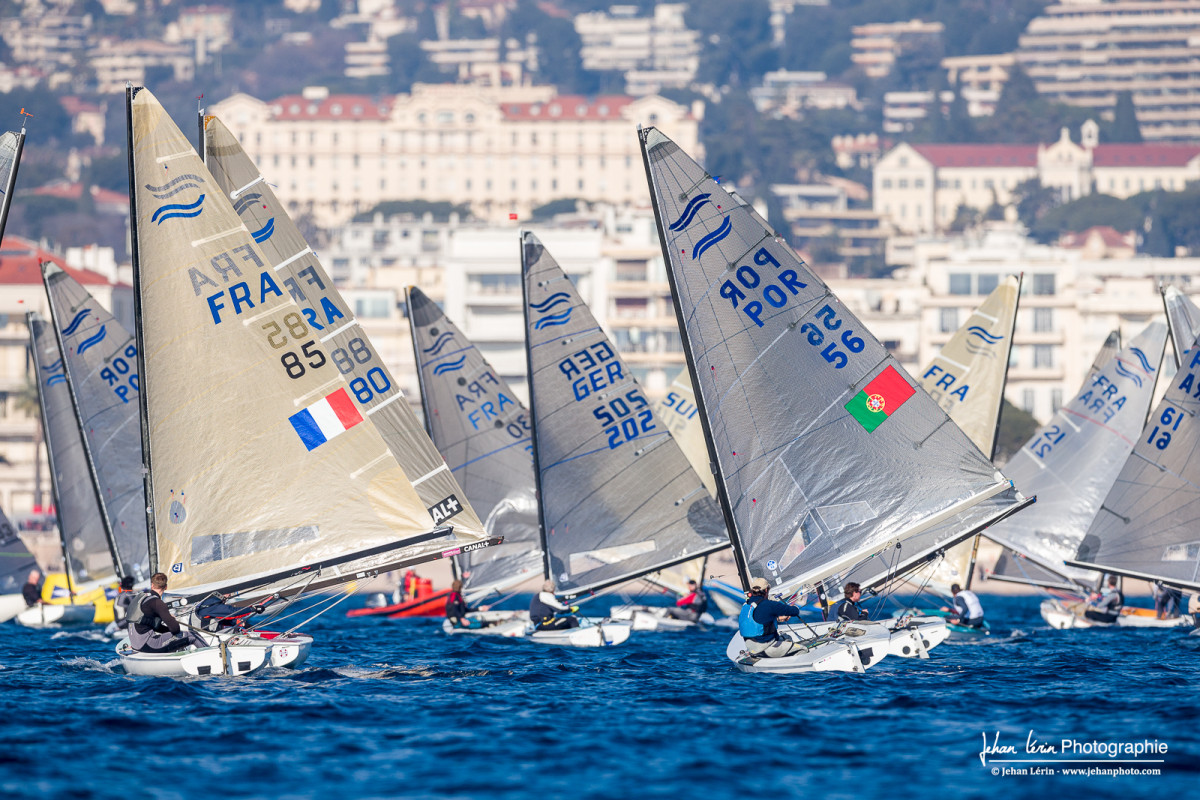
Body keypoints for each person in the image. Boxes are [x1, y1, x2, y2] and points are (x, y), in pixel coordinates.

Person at [127, 572, 207, 653]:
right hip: (149, 645)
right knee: (193, 635)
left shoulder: (142, 599)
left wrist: (167, 628)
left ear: (152, 585)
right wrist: (172, 620)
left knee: (173, 637)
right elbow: (175, 629)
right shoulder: (158, 603)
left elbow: (154, 627)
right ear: (166, 587)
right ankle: (209, 654)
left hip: (136, 645)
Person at [738, 577, 804, 658]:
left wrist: (778, 619)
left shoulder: (746, 605)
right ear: (766, 590)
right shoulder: (769, 605)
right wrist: (795, 607)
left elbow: (759, 620)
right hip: (767, 648)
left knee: (787, 638)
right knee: (802, 649)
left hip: (751, 648)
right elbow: (794, 611)